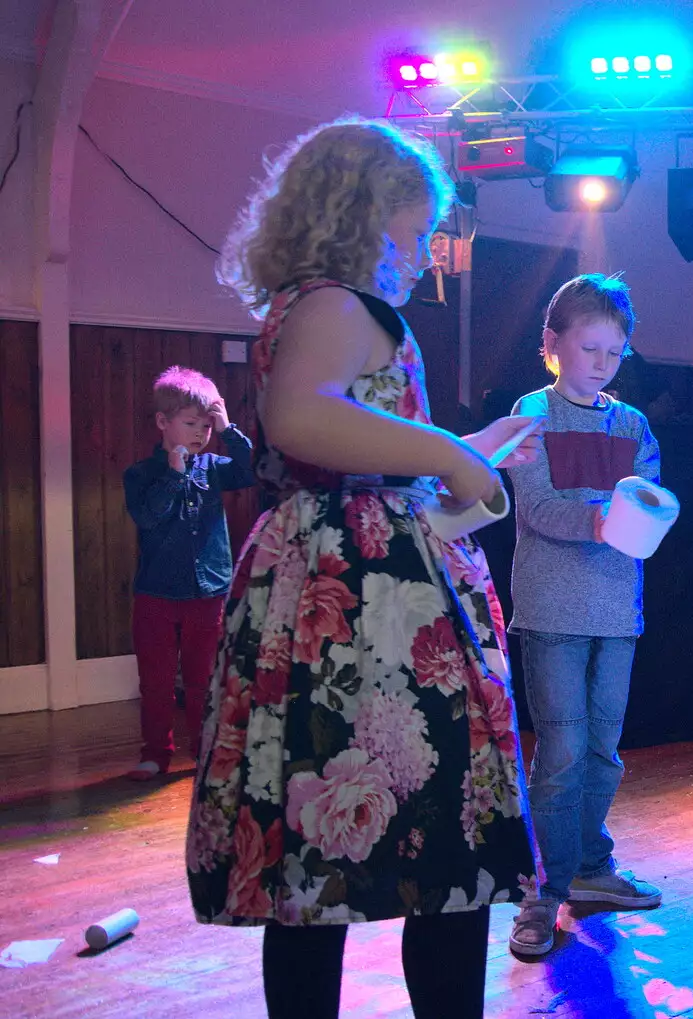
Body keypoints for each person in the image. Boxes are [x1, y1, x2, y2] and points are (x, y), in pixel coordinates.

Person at [186, 117, 540, 1019]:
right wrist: (453, 459)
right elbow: (303, 420)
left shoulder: (309, 306)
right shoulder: (340, 305)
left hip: (341, 578)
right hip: (366, 607)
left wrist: (468, 448)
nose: (425, 255)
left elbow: (355, 444)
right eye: (414, 233)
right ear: (360, 215)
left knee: (315, 860)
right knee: (445, 851)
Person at [504, 274, 663, 959]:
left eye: (614, 350)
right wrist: (604, 518)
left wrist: (641, 517)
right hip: (551, 610)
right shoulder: (531, 414)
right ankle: (543, 888)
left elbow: (652, 505)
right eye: (588, 346)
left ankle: (591, 870)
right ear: (553, 345)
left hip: (617, 613)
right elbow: (536, 507)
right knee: (561, 752)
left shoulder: (633, 424)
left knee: (603, 748)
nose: (600, 361)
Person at [123, 366, 254, 779]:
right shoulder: (141, 474)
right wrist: (175, 476)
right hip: (157, 594)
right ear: (164, 422)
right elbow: (148, 516)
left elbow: (251, 469)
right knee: (157, 681)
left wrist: (228, 427)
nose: (202, 433)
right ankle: (155, 753)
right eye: (191, 423)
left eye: (207, 425)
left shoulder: (215, 465)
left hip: (208, 592)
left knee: (204, 680)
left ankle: (203, 750)